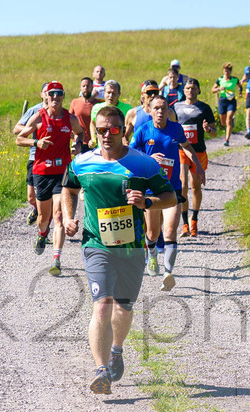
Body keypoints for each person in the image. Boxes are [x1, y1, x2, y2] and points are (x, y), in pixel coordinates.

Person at [61, 105, 176, 395]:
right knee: (102, 305)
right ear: (94, 131)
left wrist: (147, 203)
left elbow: (171, 196)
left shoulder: (144, 164)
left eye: (114, 129)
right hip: (96, 244)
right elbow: (69, 189)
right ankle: (101, 370)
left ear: (123, 131)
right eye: (101, 130)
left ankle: (117, 349)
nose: (107, 135)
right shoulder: (81, 162)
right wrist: (68, 217)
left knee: (124, 309)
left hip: (132, 248)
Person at [130, 96, 204, 292]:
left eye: (164, 108)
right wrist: (148, 158)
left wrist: (197, 165)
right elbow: (129, 154)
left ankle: (168, 273)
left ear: (168, 111)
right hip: (150, 191)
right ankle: (152, 252)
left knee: (170, 231)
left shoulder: (176, 129)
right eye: (157, 109)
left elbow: (187, 147)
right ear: (151, 111)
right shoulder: (143, 131)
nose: (160, 112)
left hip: (172, 189)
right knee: (153, 232)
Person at [15, 80, 83, 276]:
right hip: (42, 172)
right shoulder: (39, 116)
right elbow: (19, 139)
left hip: (62, 173)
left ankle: (56, 259)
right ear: (46, 96)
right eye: (51, 93)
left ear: (63, 96)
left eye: (58, 94)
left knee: (59, 216)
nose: (55, 97)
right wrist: (36, 142)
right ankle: (42, 233)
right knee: (44, 218)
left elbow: (80, 133)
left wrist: (77, 145)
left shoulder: (69, 119)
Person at [174, 79, 215, 237]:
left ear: (198, 90)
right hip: (182, 150)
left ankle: (194, 219)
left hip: (198, 151)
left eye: (193, 88)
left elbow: (214, 132)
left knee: (195, 186)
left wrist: (208, 128)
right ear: (184, 90)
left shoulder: (204, 108)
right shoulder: (176, 106)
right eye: (188, 88)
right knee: (183, 184)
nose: (190, 91)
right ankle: (184, 223)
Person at [13, 83, 48, 226]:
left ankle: (44, 224)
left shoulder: (58, 113)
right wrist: (33, 128)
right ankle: (36, 209)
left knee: (48, 198)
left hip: (51, 158)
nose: (50, 95)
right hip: (35, 156)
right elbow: (17, 129)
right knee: (31, 197)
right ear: (41, 94)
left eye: (53, 92)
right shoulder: (34, 110)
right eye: (46, 92)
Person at [90, 80, 132, 148]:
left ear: (119, 94)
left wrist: (125, 138)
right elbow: (92, 123)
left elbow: (129, 126)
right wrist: (93, 139)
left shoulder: (127, 109)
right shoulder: (96, 108)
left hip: (119, 148)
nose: (110, 96)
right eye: (108, 93)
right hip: (102, 148)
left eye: (114, 93)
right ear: (104, 93)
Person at [211, 64, 242, 146]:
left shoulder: (235, 79)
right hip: (222, 100)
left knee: (228, 120)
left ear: (230, 71)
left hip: (231, 101)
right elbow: (212, 90)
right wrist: (218, 89)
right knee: (223, 122)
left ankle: (227, 140)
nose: (226, 72)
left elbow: (240, 86)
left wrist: (240, 93)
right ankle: (231, 123)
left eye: (227, 71)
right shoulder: (220, 79)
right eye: (224, 71)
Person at [69, 77, 100, 154]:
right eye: (83, 86)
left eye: (88, 86)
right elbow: (69, 120)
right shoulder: (75, 102)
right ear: (80, 88)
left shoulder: (98, 104)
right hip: (78, 141)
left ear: (92, 87)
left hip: (93, 142)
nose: (86, 88)